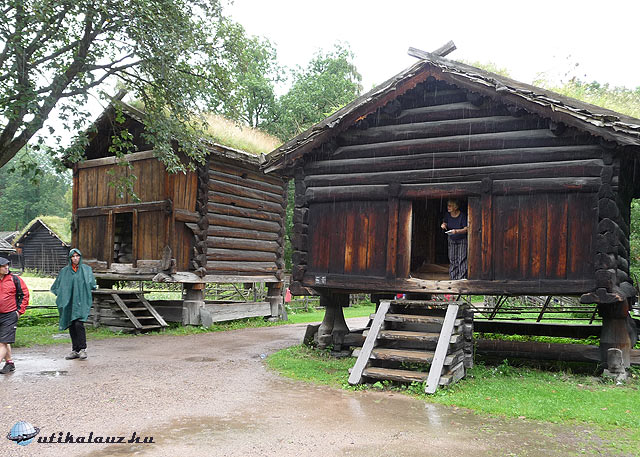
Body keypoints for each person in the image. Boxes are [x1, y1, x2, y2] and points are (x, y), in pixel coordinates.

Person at [51, 249, 97, 360]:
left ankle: (82, 349)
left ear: (80, 257)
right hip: (69, 302)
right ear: (70, 258)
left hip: (81, 301)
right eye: (73, 256)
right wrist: (63, 296)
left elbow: (92, 284)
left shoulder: (86, 270)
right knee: (71, 324)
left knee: (78, 324)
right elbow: (57, 286)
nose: (75, 258)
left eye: (77, 256)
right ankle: (75, 350)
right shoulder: (65, 271)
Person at [0, 257, 30, 374]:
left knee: (2, 343)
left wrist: (19, 311)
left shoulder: (14, 279)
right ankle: (9, 363)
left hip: (10, 315)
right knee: (3, 340)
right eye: (3, 266)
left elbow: (25, 295)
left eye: (7, 265)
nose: (6, 267)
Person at [440, 198, 468, 280]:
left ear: (455, 207)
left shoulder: (462, 216)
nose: (448, 207)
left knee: (462, 259)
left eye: (450, 206)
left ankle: (462, 279)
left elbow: (466, 229)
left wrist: (456, 231)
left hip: (462, 239)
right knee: (453, 259)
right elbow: (445, 222)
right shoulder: (448, 215)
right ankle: (453, 279)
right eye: (448, 205)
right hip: (451, 239)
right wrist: (443, 225)